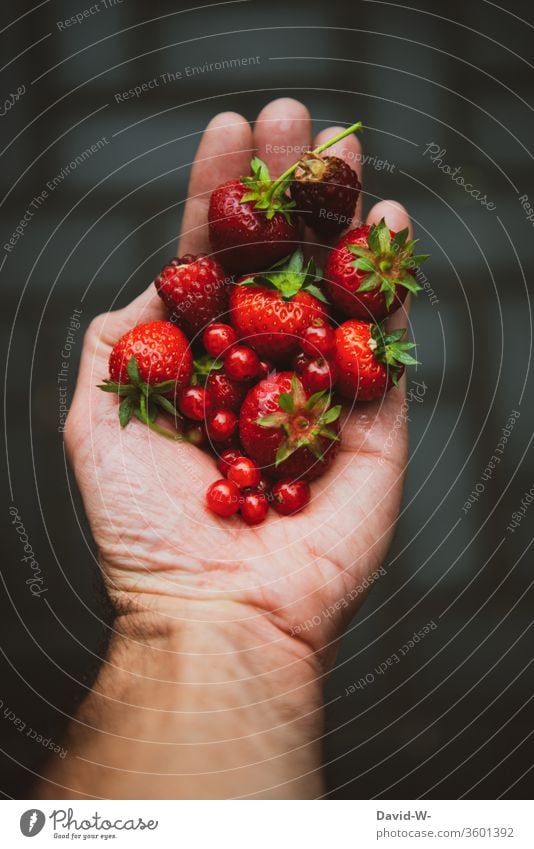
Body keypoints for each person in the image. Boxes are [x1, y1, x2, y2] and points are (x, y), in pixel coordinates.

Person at [37, 98, 413, 799]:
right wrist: (205, 615)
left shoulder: (280, 361)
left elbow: (254, 352)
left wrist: (183, 617)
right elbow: (233, 348)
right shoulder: (249, 362)